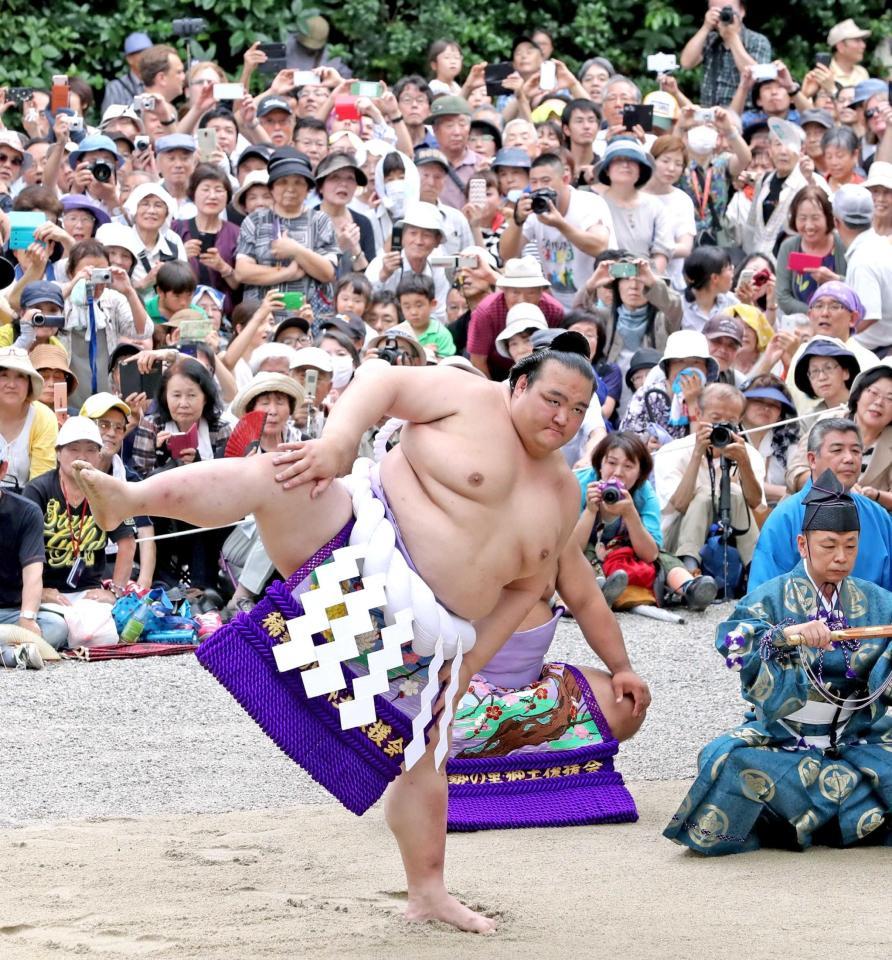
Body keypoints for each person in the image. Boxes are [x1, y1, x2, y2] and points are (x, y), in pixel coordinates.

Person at [72, 334, 596, 933]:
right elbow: (380, 378)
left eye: (578, 410)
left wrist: (471, 662)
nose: (563, 418)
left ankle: (428, 892)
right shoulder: (467, 396)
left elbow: (530, 586)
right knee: (281, 476)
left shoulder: (562, 491)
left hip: (425, 636)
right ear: (520, 384)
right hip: (357, 550)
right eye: (554, 399)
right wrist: (339, 443)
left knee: (422, 758)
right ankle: (129, 498)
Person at [664, 469, 892, 855]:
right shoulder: (771, 597)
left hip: (856, 737)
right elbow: (733, 644)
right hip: (785, 738)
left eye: (851, 547)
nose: (841, 558)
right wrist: (782, 636)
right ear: (803, 545)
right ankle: (839, 822)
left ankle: (792, 818)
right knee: (725, 760)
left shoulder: (877, 601)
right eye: (829, 546)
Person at [445, 506, 648, 831]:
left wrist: (622, 668)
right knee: (411, 718)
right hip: (459, 690)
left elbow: (587, 602)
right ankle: (505, 752)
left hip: (534, 693)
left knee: (625, 704)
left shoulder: (552, 531)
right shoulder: (445, 524)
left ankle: (504, 751)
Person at [575, 432, 718, 611]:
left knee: (663, 557)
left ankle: (691, 588)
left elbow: (650, 554)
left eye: (628, 466)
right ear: (600, 464)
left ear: (640, 472)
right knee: (584, 554)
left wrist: (630, 513)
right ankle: (599, 589)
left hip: (627, 550)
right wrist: (590, 510)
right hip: (589, 551)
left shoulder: (644, 493)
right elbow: (571, 548)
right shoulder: (581, 486)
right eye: (611, 463)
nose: (618, 473)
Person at [23, 417, 135, 638]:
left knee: (104, 638)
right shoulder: (38, 490)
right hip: (46, 590)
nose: (82, 457)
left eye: (91, 450)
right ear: (58, 453)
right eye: (73, 449)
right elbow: (21, 547)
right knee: (56, 632)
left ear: (99, 454)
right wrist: (38, 591)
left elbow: (127, 542)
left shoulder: (106, 489)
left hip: (88, 592)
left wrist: (115, 591)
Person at [750, 418, 892, 590]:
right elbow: (761, 598)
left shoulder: (878, 516)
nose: (849, 458)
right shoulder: (785, 517)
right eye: (837, 450)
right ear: (812, 459)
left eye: (856, 451)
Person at [653, 382, 765, 576]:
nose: (721, 425)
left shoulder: (750, 455)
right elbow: (679, 504)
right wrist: (697, 454)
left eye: (730, 420)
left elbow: (755, 503)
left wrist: (744, 463)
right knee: (705, 492)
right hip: (677, 542)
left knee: (735, 492)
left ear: (739, 421)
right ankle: (689, 570)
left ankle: (756, 572)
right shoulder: (671, 452)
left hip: (730, 539)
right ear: (699, 415)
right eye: (715, 418)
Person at [499, 151, 615, 308]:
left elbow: (600, 247)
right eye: (534, 182)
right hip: (558, 306)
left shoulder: (589, 203)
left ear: (565, 179)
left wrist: (561, 225)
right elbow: (507, 254)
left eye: (545, 181)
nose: (539, 188)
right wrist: (517, 221)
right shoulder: (535, 209)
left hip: (597, 302)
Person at [235, 148, 338, 311]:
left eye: (298, 182)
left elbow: (327, 272)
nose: (290, 188)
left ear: (308, 189)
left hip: (309, 319)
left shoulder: (321, 221)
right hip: (262, 320)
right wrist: (287, 273)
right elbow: (242, 272)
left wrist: (296, 250)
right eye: (283, 182)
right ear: (271, 188)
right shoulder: (254, 221)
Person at [0, 436, 68, 654]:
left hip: (11, 611)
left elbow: (33, 572)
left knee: (56, 627)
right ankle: (12, 653)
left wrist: (27, 617)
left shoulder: (26, 511)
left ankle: (13, 650)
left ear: (3, 469)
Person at [467, 256, 564, 380]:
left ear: (541, 292)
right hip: (494, 371)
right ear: (504, 291)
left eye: (531, 293)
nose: (522, 299)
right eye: (515, 292)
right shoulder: (486, 313)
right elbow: (478, 360)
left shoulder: (554, 311)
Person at [365, 201, 451, 322]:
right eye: (413, 233)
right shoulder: (381, 263)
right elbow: (363, 301)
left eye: (426, 235)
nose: (419, 241)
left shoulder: (437, 268)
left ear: (437, 241)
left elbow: (440, 312)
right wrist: (383, 275)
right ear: (402, 237)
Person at [171, 164, 240, 315]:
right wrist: (181, 257)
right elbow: (162, 275)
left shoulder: (237, 233)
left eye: (219, 190)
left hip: (222, 317)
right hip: (181, 313)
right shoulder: (176, 229)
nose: (212, 196)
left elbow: (239, 285)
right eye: (206, 189)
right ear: (193, 193)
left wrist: (223, 267)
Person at [595, 139, 671, 274]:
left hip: (649, 281)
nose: (625, 165)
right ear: (607, 169)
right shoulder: (596, 204)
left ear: (640, 170)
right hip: (607, 280)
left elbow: (662, 252)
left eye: (632, 160)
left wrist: (646, 280)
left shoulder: (655, 206)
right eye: (618, 160)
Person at [832, 185, 892, 356]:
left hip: (879, 353)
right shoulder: (879, 244)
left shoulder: (863, 260)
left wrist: (838, 338)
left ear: (837, 221)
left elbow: (870, 314)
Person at [680, 0, 772, 108]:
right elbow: (686, 63)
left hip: (746, 116)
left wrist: (732, 38)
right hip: (710, 115)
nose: (723, 14)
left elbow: (757, 76)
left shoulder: (757, 40)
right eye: (716, 10)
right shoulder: (710, 39)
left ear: (742, 11)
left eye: (727, 9)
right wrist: (705, 27)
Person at [775, 186, 847, 316]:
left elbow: (858, 288)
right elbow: (783, 297)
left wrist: (835, 279)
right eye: (802, 218)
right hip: (799, 325)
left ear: (828, 217)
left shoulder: (843, 245)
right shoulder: (788, 247)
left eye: (815, 218)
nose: (809, 226)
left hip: (839, 324)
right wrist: (814, 313)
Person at [0, 347, 58, 491]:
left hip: (27, 505)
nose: (11, 384)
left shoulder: (43, 418)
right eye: (3, 375)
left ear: (30, 384)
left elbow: (41, 484)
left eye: (20, 376)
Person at [739, 374, 799, 505]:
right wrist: (785, 492)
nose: (766, 408)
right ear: (743, 403)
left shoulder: (787, 444)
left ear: (780, 414)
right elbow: (735, 482)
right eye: (759, 400)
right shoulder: (727, 436)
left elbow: (799, 480)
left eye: (774, 404)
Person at [394, 275, 455, 359]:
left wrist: (430, 356)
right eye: (407, 307)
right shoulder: (396, 333)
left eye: (419, 305)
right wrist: (421, 353)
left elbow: (448, 365)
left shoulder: (442, 334)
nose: (413, 312)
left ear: (432, 304)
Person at [100, 32, 152, 113]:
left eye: (149, 53)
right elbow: (109, 120)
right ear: (129, 59)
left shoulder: (157, 82)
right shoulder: (116, 88)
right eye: (141, 54)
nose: (147, 58)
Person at [827, 19, 871, 89]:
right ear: (840, 46)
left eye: (862, 40)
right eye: (857, 41)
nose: (863, 45)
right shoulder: (824, 74)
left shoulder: (862, 73)